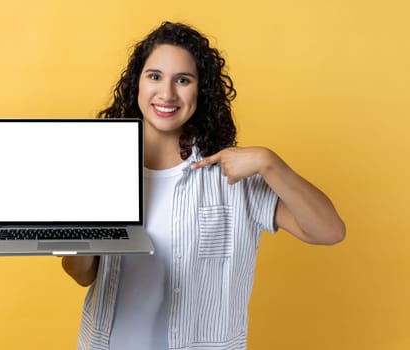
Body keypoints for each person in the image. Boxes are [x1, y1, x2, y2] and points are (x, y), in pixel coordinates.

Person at [62, 21, 345, 350]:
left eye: (183, 80)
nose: (167, 93)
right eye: (154, 76)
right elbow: (82, 274)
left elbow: (330, 231)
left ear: (201, 90)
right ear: (136, 84)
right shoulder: (103, 168)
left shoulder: (233, 175)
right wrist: (83, 234)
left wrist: (271, 163)